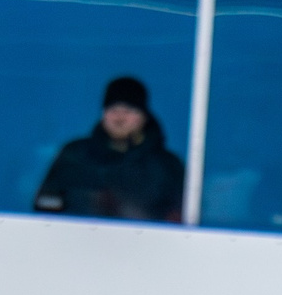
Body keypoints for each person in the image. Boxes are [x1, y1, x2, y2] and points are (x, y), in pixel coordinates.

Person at [33, 77, 185, 222]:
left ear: (144, 116)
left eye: (128, 111)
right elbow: (45, 204)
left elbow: (178, 219)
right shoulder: (74, 155)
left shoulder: (167, 166)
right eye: (113, 110)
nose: (119, 118)